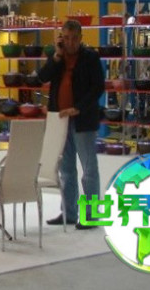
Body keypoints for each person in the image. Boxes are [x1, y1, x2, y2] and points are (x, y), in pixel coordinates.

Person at [37, 19, 105, 230]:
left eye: (74, 38)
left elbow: (97, 88)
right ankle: (69, 213)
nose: (70, 42)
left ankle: (91, 215)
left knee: (89, 169)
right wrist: (56, 56)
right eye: (66, 38)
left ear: (81, 38)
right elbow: (42, 77)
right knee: (66, 169)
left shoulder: (91, 57)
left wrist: (78, 108)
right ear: (61, 38)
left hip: (82, 119)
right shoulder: (57, 57)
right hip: (61, 121)